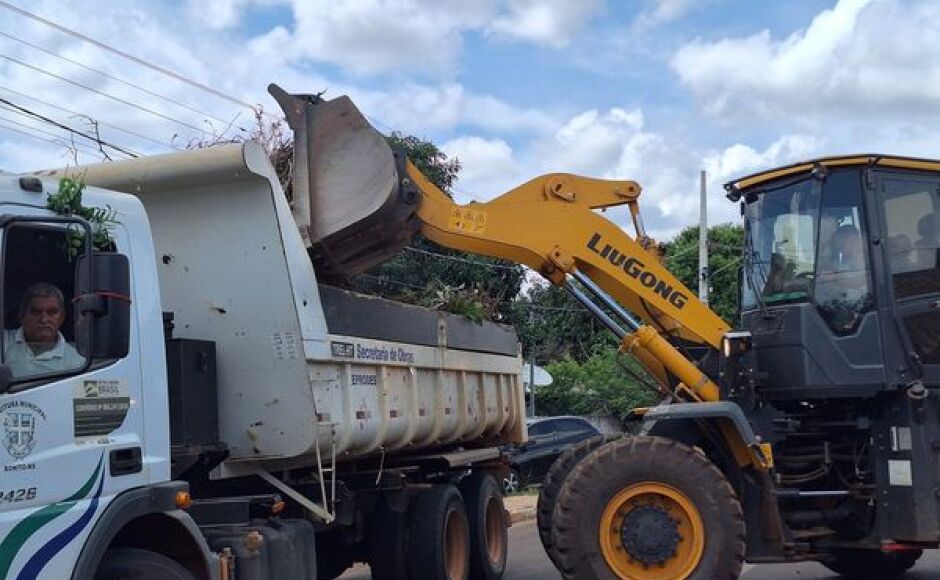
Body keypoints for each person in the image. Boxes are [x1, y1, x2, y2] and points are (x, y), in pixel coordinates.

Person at [3, 282, 84, 379]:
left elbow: (89, 392)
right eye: (36, 312)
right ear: (22, 316)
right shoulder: (4, 343)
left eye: (52, 312)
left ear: (62, 318)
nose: (44, 319)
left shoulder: (77, 362)